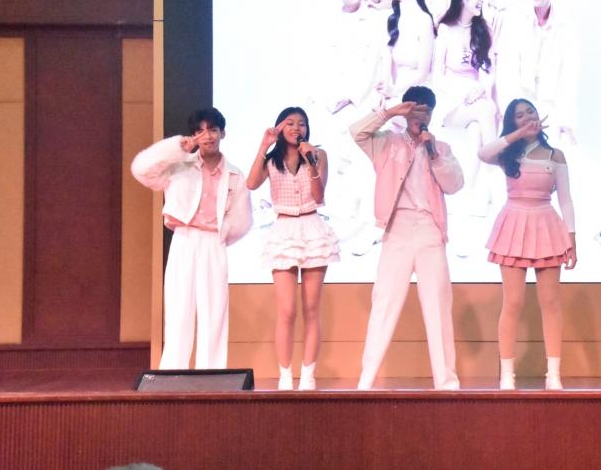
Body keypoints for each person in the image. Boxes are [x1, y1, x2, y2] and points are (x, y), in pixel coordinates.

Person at [349, 86, 464, 390]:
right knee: (384, 303)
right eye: (415, 109)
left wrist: (433, 152)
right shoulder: (387, 142)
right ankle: (365, 382)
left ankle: (446, 383)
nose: (420, 115)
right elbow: (356, 132)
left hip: (429, 230)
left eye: (426, 110)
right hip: (397, 228)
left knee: (438, 306)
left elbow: (454, 185)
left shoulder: (441, 148)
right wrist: (390, 113)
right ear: (406, 110)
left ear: (432, 115)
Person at [131, 108, 252, 370]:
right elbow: (140, 169)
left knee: (214, 311)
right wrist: (176, 149)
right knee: (179, 309)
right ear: (194, 135)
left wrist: (222, 233)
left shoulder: (234, 174)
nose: (207, 136)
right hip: (184, 239)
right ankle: (172, 373)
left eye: (213, 130)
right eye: (200, 131)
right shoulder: (179, 166)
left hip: (213, 242)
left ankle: (213, 374)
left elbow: (243, 220)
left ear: (222, 133)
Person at [478, 99, 576, 390]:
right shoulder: (507, 153)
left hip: (546, 225)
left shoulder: (555, 155)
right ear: (512, 122)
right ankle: (507, 375)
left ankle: (553, 375)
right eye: (519, 116)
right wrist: (517, 135)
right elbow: (483, 153)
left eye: (529, 112)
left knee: (551, 303)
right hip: (514, 224)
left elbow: (566, 200)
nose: (526, 118)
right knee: (513, 302)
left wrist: (572, 237)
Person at [246, 107, 340, 390]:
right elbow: (251, 183)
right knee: (286, 311)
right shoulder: (271, 160)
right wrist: (263, 146)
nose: (297, 128)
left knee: (311, 309)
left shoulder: (318, 154)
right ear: (279, 127)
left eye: (302, 123)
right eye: (290, 123)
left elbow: (319, 196)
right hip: (284, 229)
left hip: (312, 227)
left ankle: (308, 375)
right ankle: (285, 375)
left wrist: (311, 163)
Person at [321, 0, 391, 248]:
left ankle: (369, 222)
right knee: (337, 153)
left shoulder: (374, 18)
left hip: (366, 98)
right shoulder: (334, 24)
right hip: (341, 102)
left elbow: (378, 61)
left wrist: (351, 97)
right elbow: (331, 66)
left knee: (362, 154)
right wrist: (334, 99)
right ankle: (345, 218)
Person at [433, 0, 498, 215]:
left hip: (476, 100)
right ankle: (495, 179)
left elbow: (488, 71)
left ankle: (466, 193)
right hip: (451, 104)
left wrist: (479, 88)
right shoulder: (445, 29)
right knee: (486, 109)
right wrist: (465, 93)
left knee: (477, 129)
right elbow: (437, 76)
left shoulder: (484, 29)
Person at [495, 0, 577, 143]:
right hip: (519, 103)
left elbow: (568, 77)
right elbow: (506, 71)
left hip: (549, 107)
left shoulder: (566, 25)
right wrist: (514, 114)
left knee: (562, 149)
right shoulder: (515, 18)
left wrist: (566, 121)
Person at [386, 0, 436, 101]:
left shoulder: (424, 20)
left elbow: (423, 74)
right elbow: (389, 68)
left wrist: (394, 91)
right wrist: (386, 91)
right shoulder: (393, 20)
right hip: (396, 92)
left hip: (418, 94)